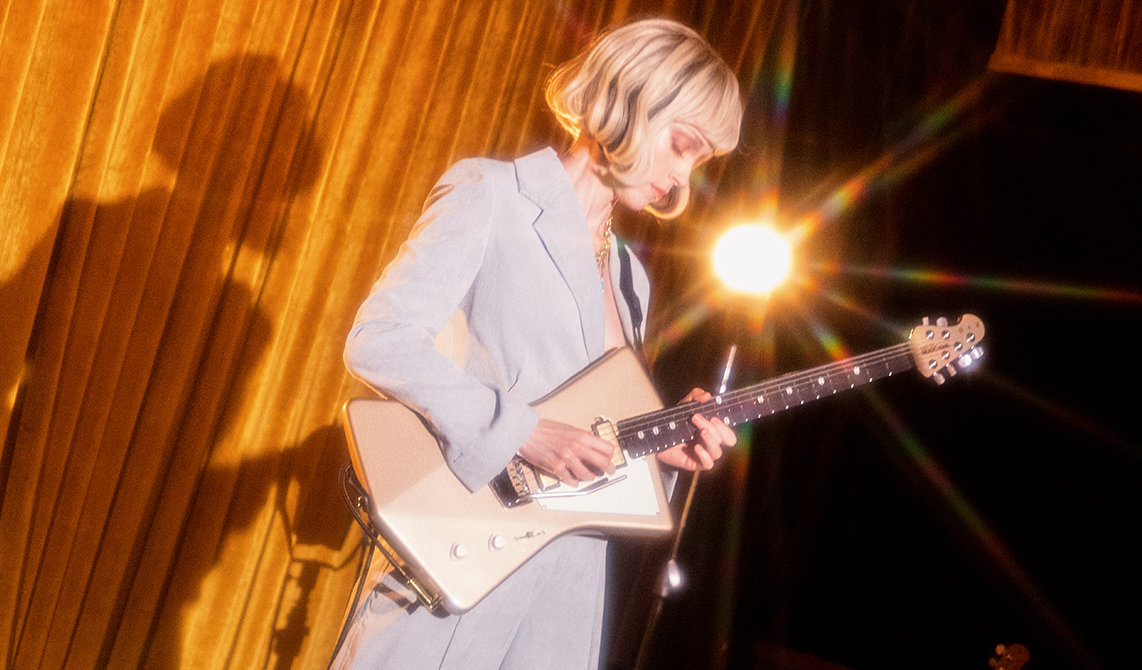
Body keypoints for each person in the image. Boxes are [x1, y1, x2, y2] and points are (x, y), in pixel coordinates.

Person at [333, 17, 742, 670]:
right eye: (682, 145)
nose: (682, 178)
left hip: (567, 593)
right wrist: (522, 432)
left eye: (700, 162)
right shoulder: (493, 194)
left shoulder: (630, 277)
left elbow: (588, 433)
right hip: (463, 563)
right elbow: (380, 340)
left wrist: (663, 444)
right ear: (632, 101)